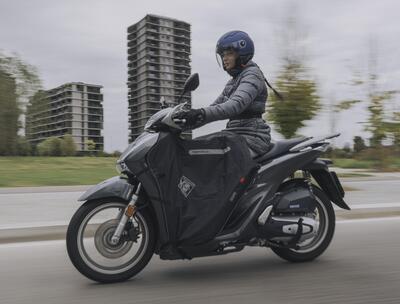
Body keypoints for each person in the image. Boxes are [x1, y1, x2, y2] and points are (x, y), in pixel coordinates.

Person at [176, 30, 280, 158]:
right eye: (223, 55)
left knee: (197, 154)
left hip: (252, 138)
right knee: (193, 146)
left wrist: (201, 113)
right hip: (235, 134)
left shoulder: (252, 75)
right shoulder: (234, 81)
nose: (224, 58)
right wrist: (183, 121)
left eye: (229, 54)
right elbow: (215, 106)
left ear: (242, 54)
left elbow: (234, 105)